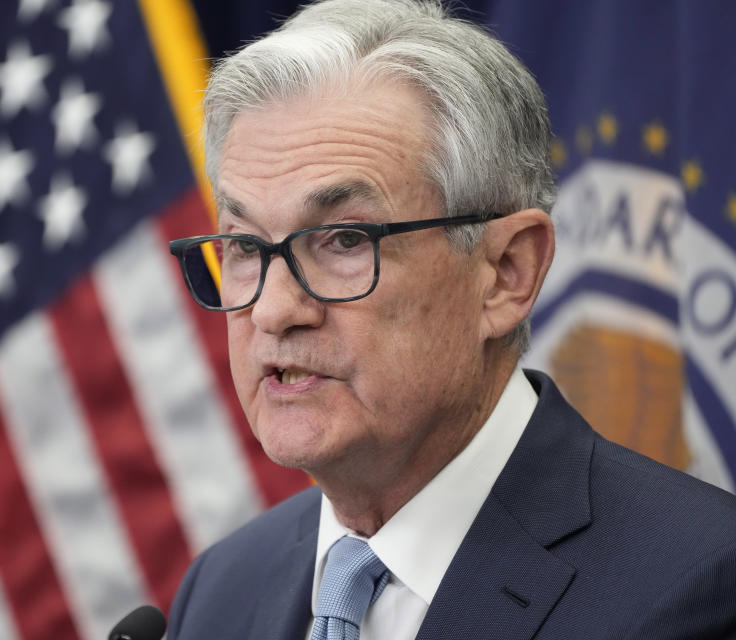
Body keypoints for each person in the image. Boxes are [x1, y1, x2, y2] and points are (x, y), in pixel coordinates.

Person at [165, 0, 736, 637]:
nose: (273, 310)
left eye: (345, 240)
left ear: (505, 272)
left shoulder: (696, 588)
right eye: (245, 246)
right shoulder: (220, 589)